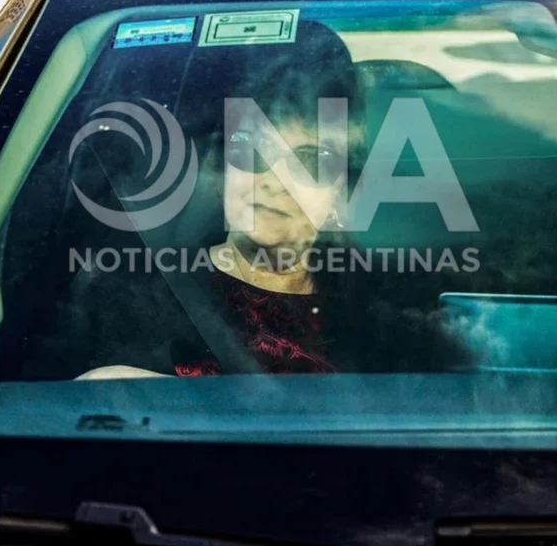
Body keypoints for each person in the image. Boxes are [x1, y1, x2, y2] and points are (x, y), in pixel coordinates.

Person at [78, 21, 473, 380]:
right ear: (222, 171)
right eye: (253, 150)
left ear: (343, 193)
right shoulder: (145, 294)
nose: (274, 181)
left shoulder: (387, 313)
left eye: (311, 161)